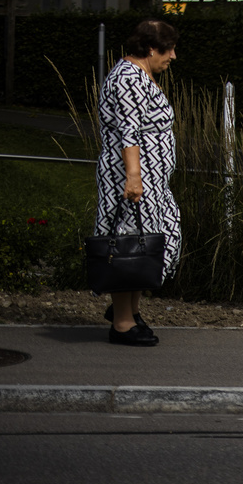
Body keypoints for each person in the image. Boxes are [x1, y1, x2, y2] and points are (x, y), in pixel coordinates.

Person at [93, 19, 182, 345]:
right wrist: (133, 178)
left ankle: (129, 310)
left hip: (151, 182)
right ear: (149, 48)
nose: (172, 56)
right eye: (168, 49)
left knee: (144, 245)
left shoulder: (140, 76)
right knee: (128, 245)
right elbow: (129, 132)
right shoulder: (128, 79)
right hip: (132, 181)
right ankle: (122, 322)